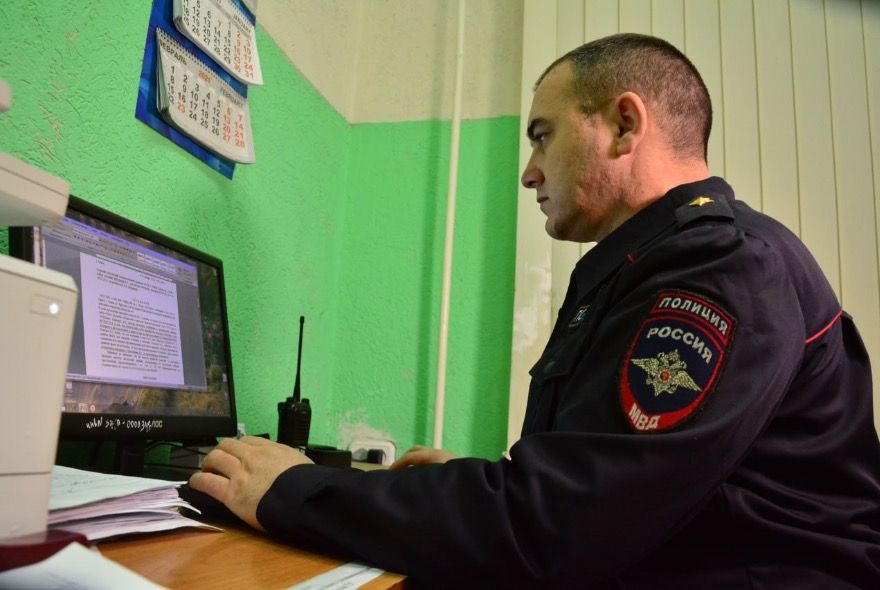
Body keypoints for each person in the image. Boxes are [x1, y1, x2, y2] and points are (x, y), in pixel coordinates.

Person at [190, 33, 880, 588]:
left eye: (542, 135)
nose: (528, 171)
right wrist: (478, 487)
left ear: (624, 125)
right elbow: (598, 493)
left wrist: (294, 489)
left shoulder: (720, 268)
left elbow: (558, 530)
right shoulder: (657, 261)